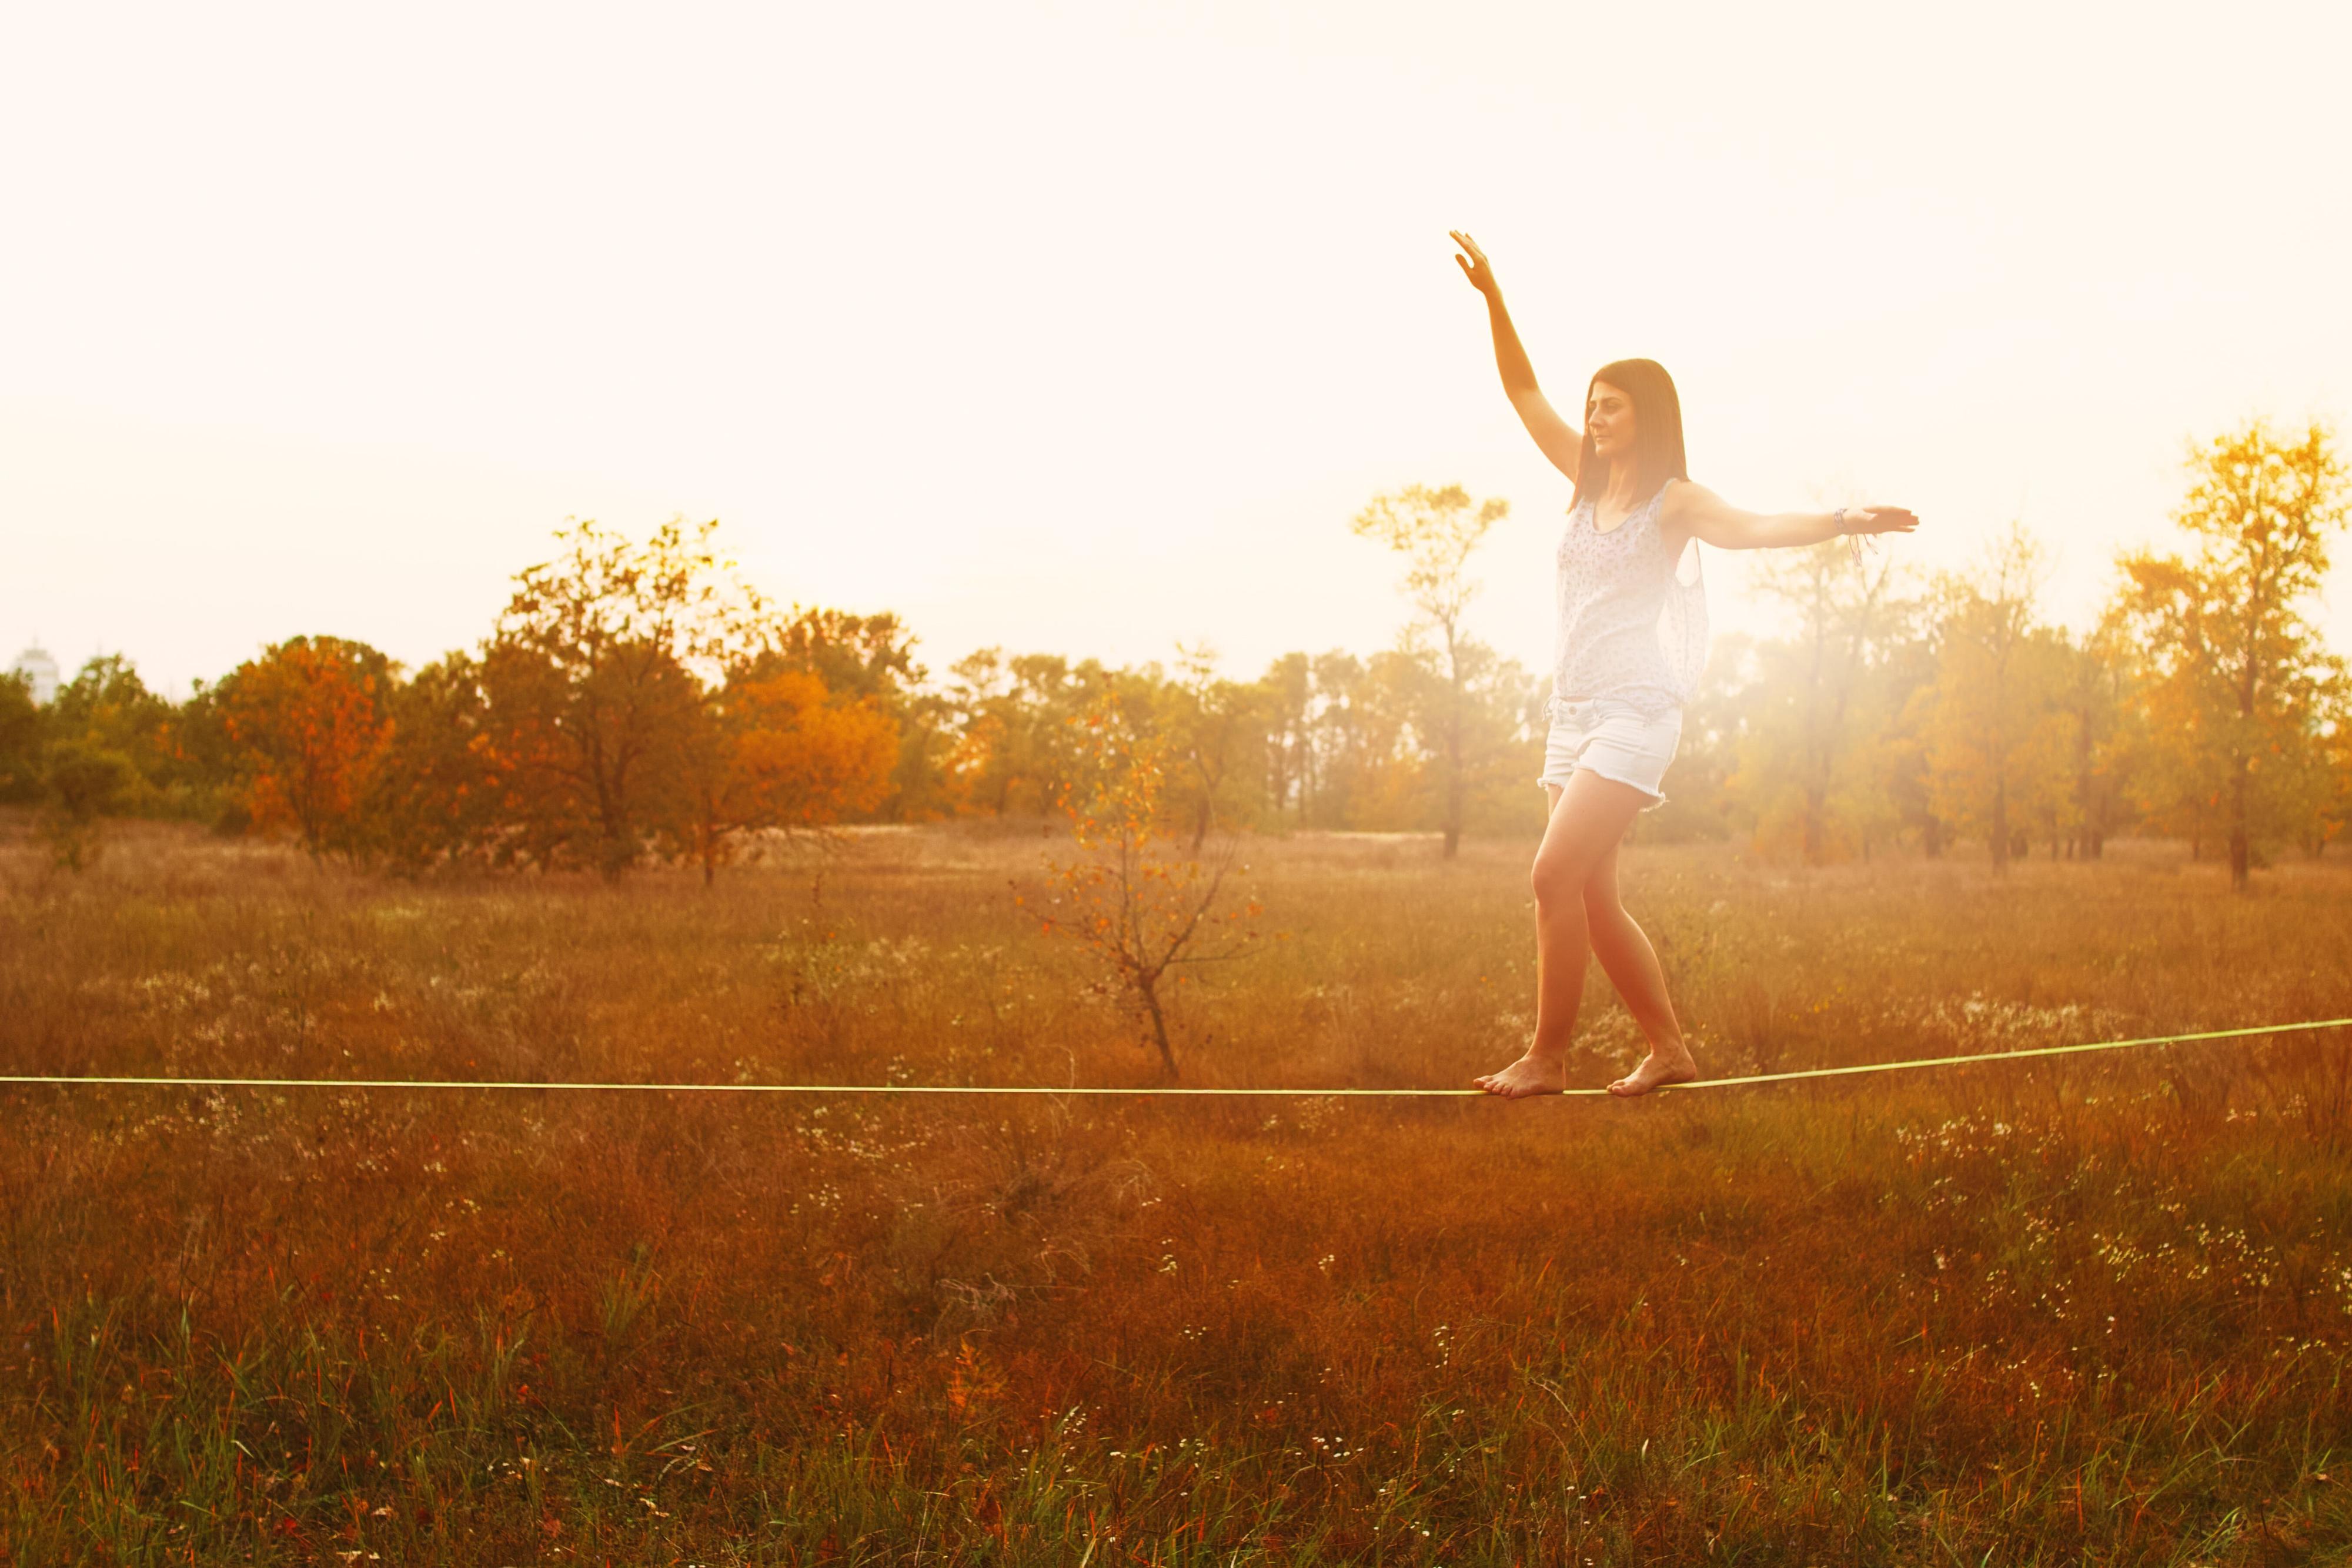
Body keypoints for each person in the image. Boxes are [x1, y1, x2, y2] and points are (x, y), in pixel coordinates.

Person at [1451, 230, 1919, 1099]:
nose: (1594, 417)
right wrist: (1495, 302)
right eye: (1592, 403)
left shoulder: (1676, 504)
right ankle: (1669, 1049)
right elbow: (1522, 391)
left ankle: (1546, 1059)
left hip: (1636, 713)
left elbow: (1756, 528)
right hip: (1573, 713)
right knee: (1589, 895)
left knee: (1550, 874)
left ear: (1649, 418)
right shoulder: (1583, 482)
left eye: (1613, 406)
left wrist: (1843, 519)